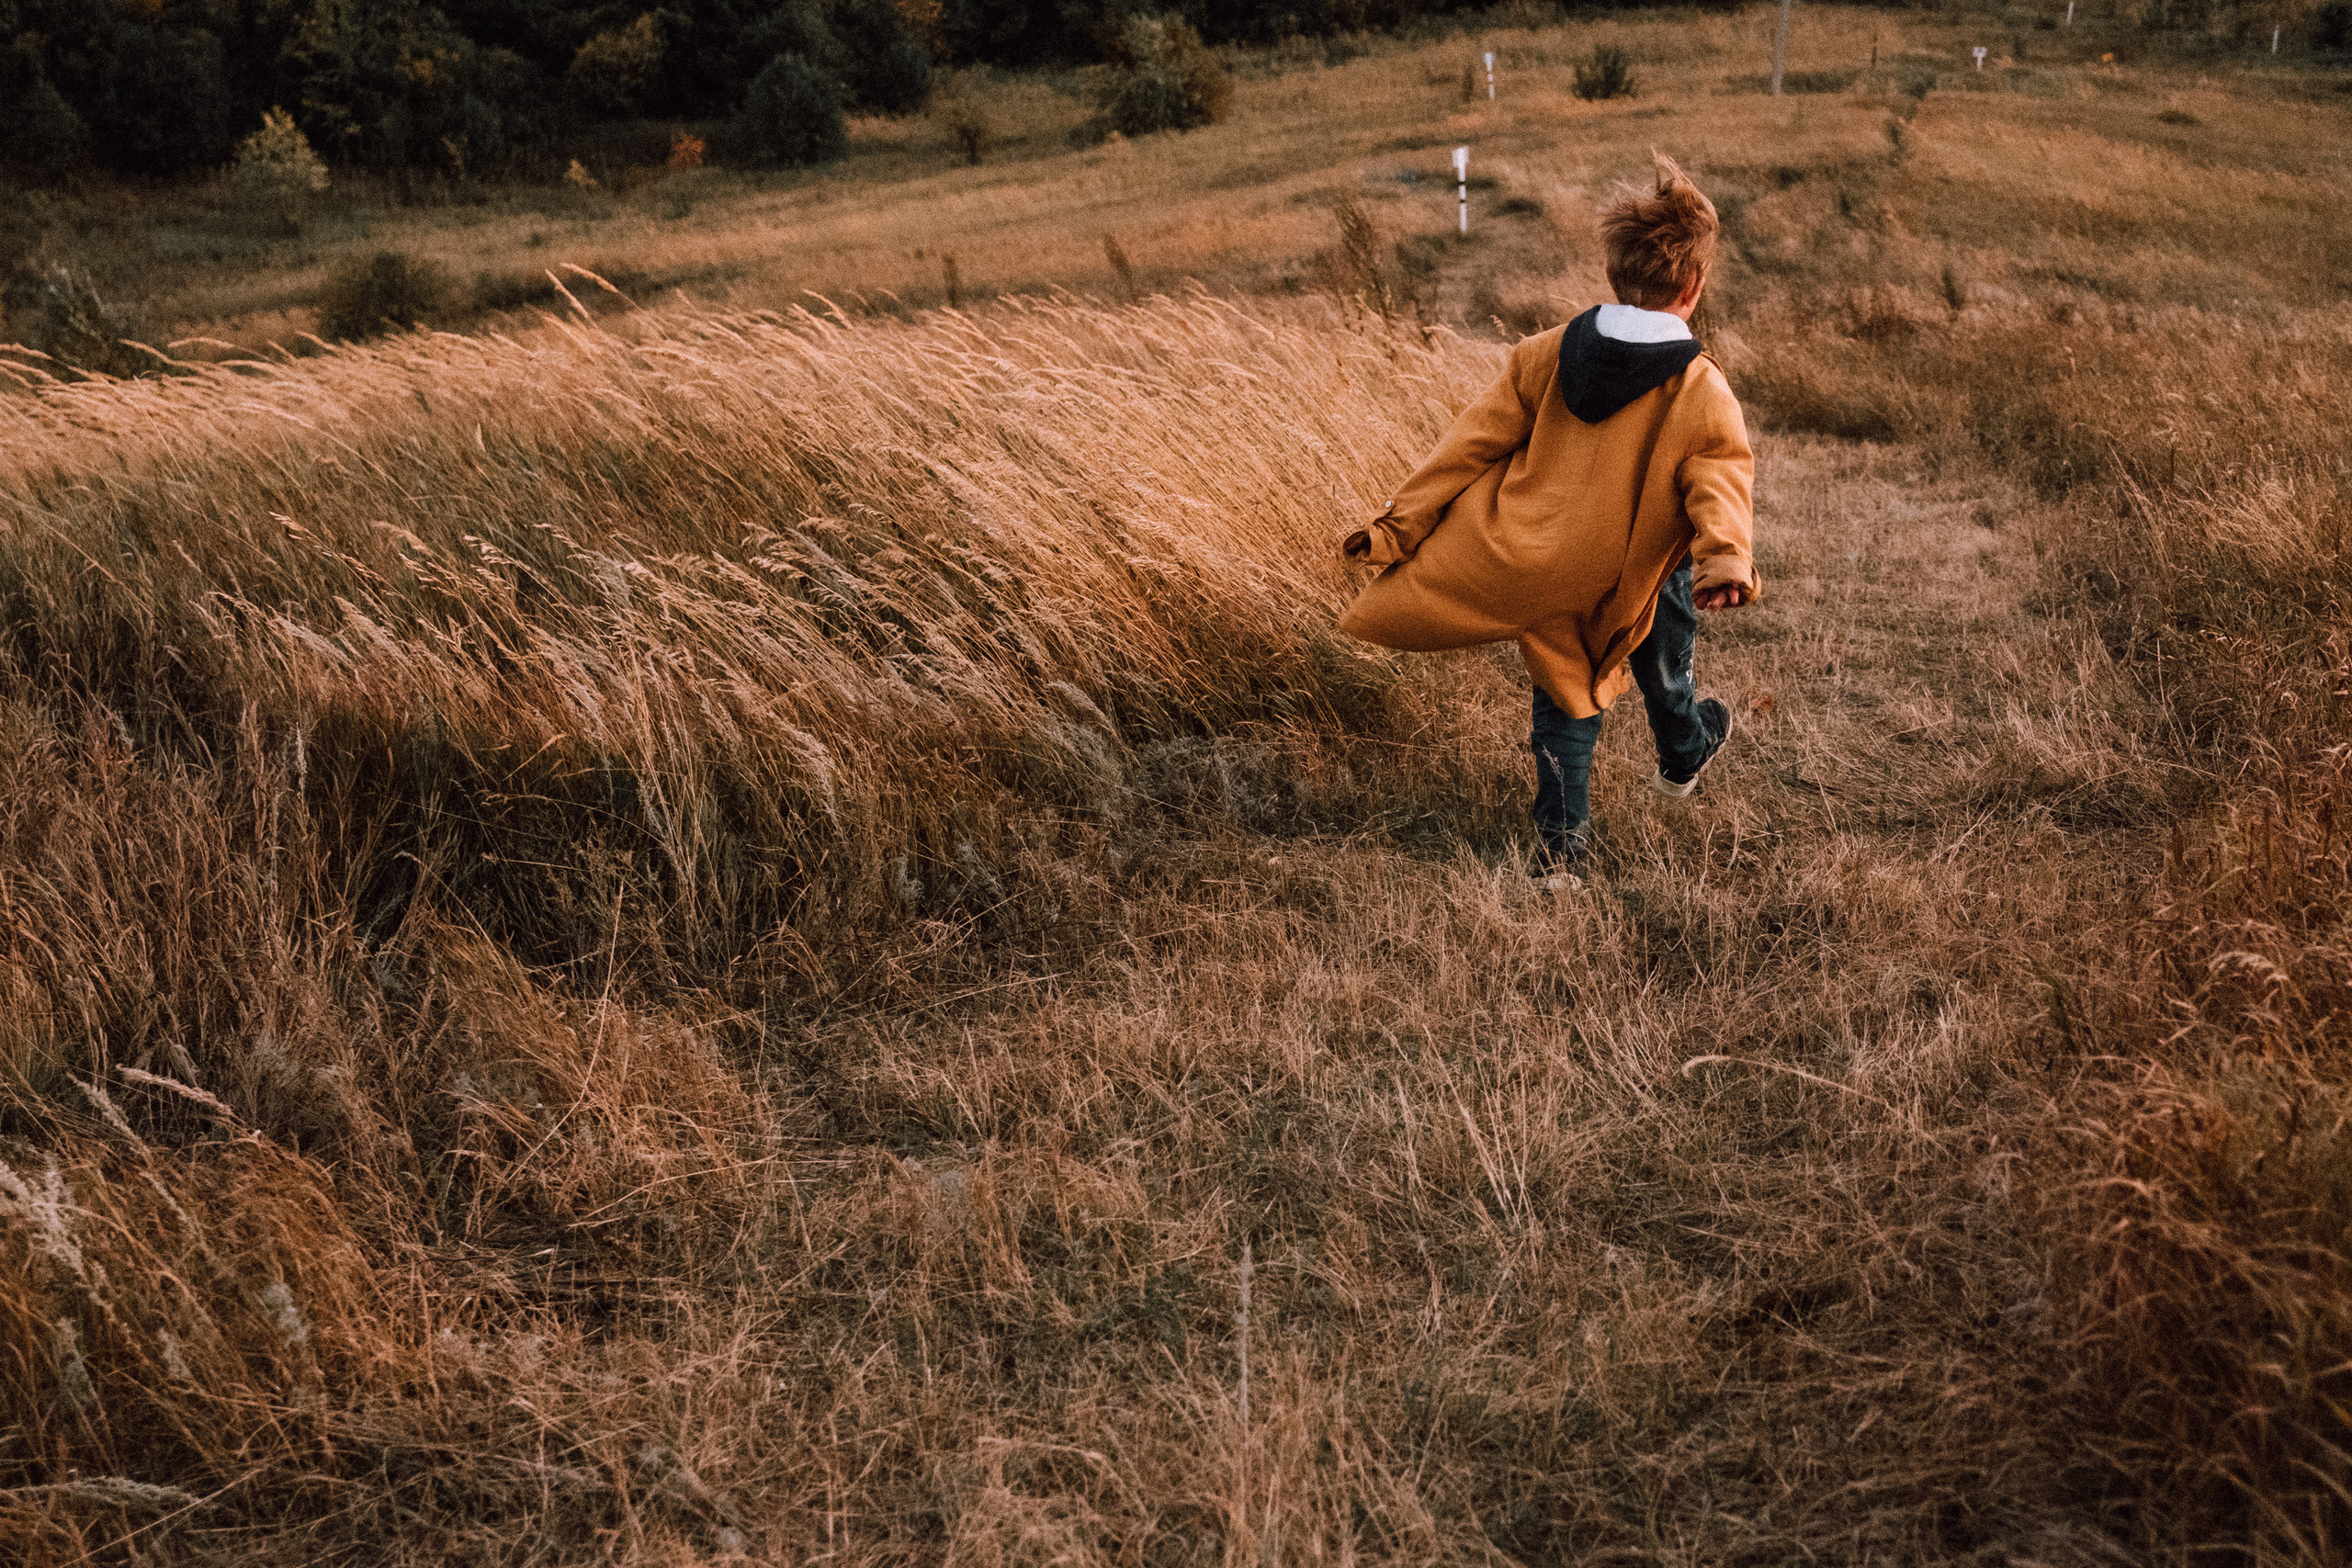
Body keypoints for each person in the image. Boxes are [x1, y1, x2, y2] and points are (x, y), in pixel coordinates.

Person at [1338, 153, 1757, 890]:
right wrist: (1725, 560)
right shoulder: (1699, 386)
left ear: (1613, 275)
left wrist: (1396, 529)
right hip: (1641, 570)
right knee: (1665, 669)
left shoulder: (1546, 353)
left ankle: (1561, 856)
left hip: (1540, 561)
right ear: (1693, 288)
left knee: (1565, 694)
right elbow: (1718, 475)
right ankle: (1686, 750)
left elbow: (1467, 445)